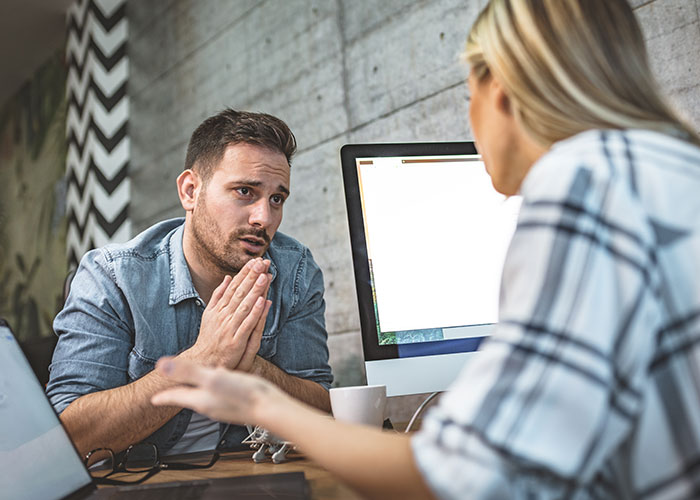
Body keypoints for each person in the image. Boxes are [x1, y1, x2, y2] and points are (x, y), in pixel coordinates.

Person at [151, 0, 700, 498]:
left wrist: (253, 401)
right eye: (246, 193)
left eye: (469, 95)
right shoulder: (671, 167)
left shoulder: (579, 186)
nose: (264, 217)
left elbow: (460, 478)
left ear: (501, 91)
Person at [47, 109, 333, 458]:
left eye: (277, 199)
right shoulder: (112, 277)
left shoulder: (295, 271)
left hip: (254, 479)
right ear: (190, 191)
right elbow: (69, 437)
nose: (264, 218)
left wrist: (254, 370)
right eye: (245, 191)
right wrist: (202, 361)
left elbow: (323, 409)